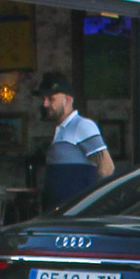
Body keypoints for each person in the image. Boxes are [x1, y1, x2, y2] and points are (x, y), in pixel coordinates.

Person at [39, 74, 115, 206]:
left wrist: (88, 204)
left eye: (51, 98)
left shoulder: (82, 125)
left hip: (74, 215)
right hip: (58, 213)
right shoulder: (60, 129)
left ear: (68, 99)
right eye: (44, 98)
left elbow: (107, 167)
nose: (45, 104)